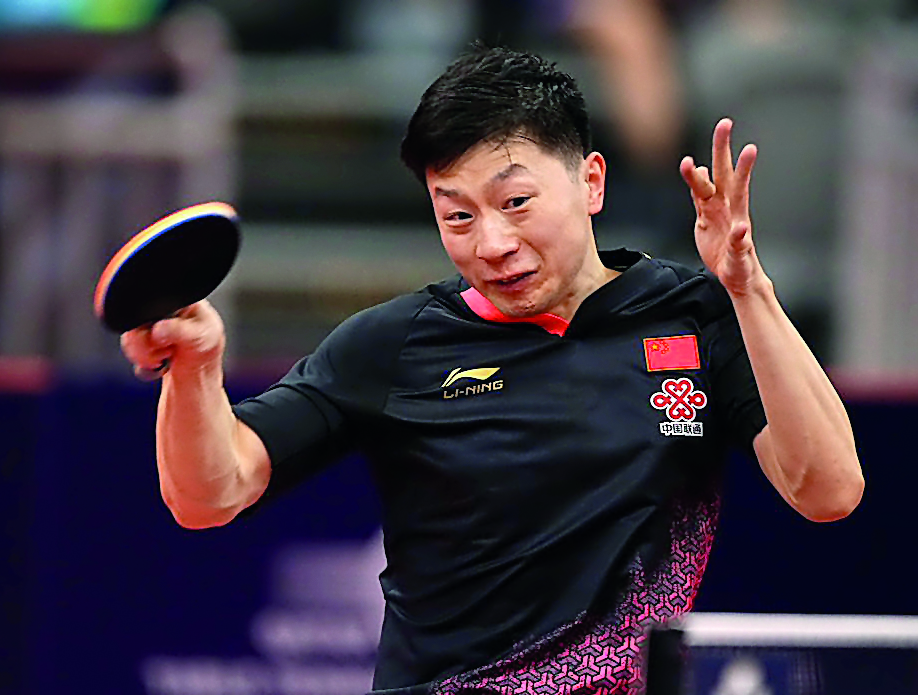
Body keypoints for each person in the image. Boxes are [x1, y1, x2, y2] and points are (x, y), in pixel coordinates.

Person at [120, 46, 864, 695]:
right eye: (458, 216)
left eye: (515, 201)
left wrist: (746, 288)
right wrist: (195, 371)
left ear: (590, 182)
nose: (493, 242)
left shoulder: (696, 314)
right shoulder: (392, 345)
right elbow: (207, 496)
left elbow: (827, 490)